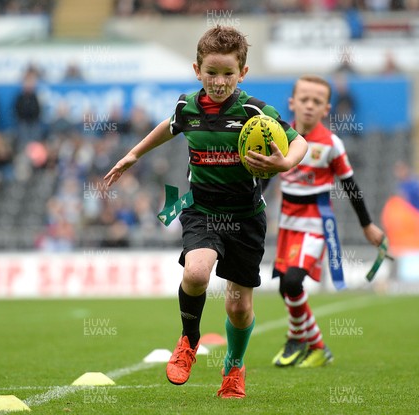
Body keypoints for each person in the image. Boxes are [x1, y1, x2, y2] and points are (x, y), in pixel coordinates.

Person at [103, 26, 308, 398]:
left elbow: (300, 142)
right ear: (197, 70)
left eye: (228, 73)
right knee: (196, 273)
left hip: (246, 216)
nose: (219, 81)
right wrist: (133, 154)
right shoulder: (188, 107)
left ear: (242, 73)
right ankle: (189, 340)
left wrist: (284, 163)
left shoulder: (254, 112)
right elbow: (169, 126)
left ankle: (233, 367)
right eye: (211, 73)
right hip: (203, 209)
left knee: (239, 308)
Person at [271, 75, 385, 368]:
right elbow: (263, 180)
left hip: (315, 224)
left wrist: (367, 224)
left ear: (326, 109)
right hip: (286, 223)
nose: (309, 106)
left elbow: (351, 186)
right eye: (304, 100)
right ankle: (318, 346)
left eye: (317, 102)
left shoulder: (331, 144)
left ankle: (297, 339)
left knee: (294, 281)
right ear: (292, 103)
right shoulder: (278, 136)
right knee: (286, 286)